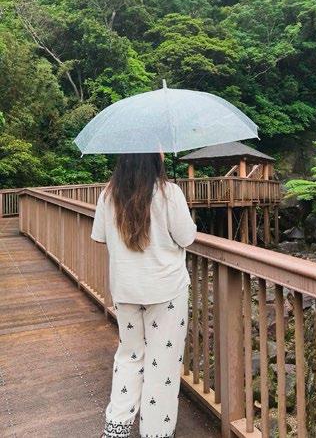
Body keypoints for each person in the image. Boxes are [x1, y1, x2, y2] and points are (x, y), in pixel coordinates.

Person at [90, 151, 197, 438]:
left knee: (129, 355)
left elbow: (100, 237)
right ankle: (155, 432)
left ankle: (116, 427)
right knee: (163, 362)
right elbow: (187, 237)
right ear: (152, 157)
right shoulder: (169, 193)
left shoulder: (109, 194)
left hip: (125, 289)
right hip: (166, 290)